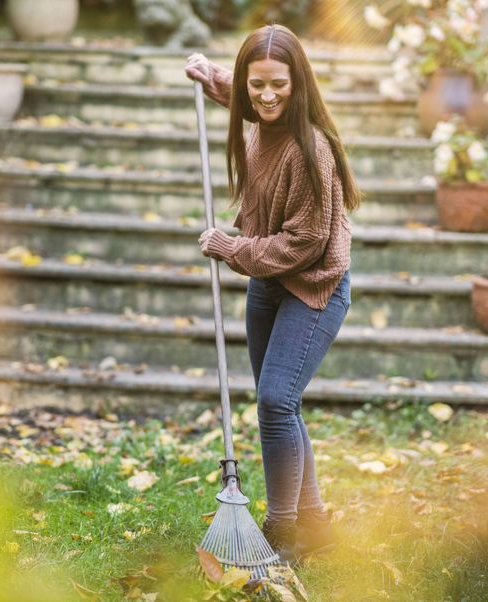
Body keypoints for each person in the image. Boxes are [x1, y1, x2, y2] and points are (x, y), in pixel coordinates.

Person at [184, 23, 361, 563]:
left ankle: (281, 531)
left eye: (278, 86)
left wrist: (231, 248)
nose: (265, 96)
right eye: (255, 85)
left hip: (313, 286)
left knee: (275, 401)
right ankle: (316, 525)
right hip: (268, 281)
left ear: (298, 83)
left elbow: (304, 244)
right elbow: (235, 93)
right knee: (281, 405)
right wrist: (209, 73)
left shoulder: (313, 152)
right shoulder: (258, 108)